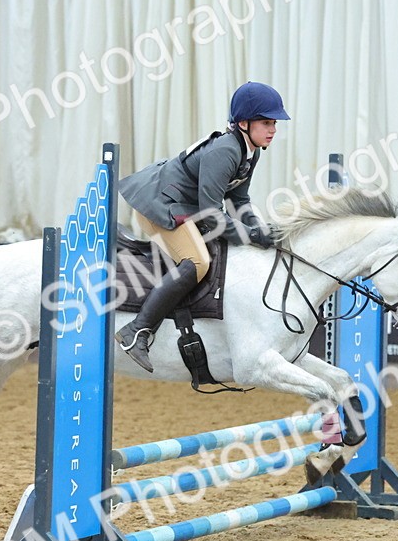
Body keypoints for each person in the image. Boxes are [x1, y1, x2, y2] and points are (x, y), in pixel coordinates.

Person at [115, 81, 290, 372]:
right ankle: (137, 331)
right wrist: (249, 235)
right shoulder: (225, 151)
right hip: (160, 206)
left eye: (274, 123)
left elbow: (240, 199)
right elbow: (211, 214)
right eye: (266, 122)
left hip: (186, 207)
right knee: (197, 261)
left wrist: (259, 229)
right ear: (244, 123)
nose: (273, 129)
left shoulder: (251, 151)